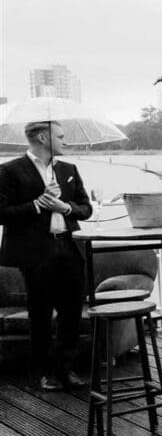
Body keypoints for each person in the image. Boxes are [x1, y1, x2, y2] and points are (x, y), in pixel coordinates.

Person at [0, 120, 93, 391]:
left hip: (69, 247)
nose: (65, 141)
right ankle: (43, 372)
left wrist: (65, 207)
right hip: (35, 252)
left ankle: (66, 369)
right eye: (61, 136)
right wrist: (37, 205)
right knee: (40, 313)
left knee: (72, 311)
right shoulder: (9, 171)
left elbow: (86, 209)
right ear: (42, 137)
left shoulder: (68, 169)